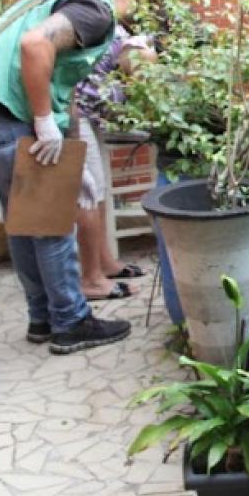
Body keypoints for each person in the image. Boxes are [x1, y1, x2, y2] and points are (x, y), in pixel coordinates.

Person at [0, 0, 169, 355]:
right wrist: (44, 122)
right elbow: (34, 45)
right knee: (51, 225)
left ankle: (43, 317)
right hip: (17, 119)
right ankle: (71, 322)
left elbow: (64, 78)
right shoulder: (98, 14)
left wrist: (68, 137)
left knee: (25, 224)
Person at [74, 25, 157, 301]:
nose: (134, 79)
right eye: (134, 73)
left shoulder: (124, 41)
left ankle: (106, 263)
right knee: (90, 194)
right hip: (75, 114)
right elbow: (110, 107)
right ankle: (91, 278)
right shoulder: (111, 57)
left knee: (100, 190)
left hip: (89, 116)